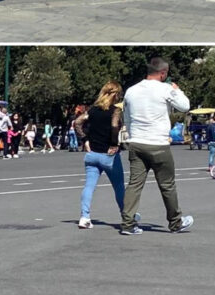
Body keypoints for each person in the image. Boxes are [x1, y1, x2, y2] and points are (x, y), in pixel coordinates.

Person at [120, 57, 193, 235]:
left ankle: (127, 223)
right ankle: (175, 222)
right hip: (158, 143)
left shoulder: (131, 90)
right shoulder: (165, 89)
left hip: (137, 142)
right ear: (163, 73)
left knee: (134, 184)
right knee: (167, 185)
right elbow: (185, 106)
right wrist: (177, 90)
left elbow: (127, 118)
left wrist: (132, 135)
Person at [74, 82, 136, 230]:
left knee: (89, 186)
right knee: (119, 186)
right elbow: (115, 126)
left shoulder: (93, 110)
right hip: (108, 155)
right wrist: (115, 144)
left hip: (92, 154)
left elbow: (77, 122)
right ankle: (127, 217)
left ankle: (84, 217)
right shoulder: (115, 111)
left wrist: (85, 140)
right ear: (115, 95)